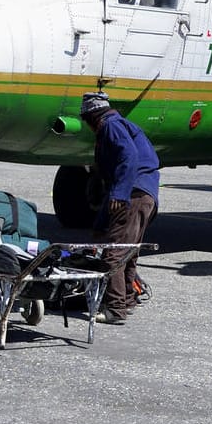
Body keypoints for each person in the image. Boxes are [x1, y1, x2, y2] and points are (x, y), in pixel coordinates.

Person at [80, 91, 160, 325]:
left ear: (93, 117)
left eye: (87, 121)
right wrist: (100, 223)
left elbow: (128, 157)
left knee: (113, 253)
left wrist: (120, 193)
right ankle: (126, 299)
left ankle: (115, 309)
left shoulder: (110, 126)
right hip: (145, 195)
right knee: (128, 251)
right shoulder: (123, 124)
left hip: (133, 195)